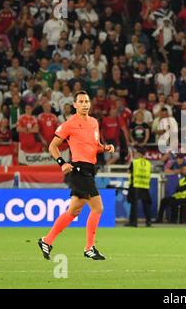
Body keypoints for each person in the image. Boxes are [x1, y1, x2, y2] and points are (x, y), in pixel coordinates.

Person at [37, 91, 115, 261]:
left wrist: (105, 148)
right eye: (81, 101)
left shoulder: (94, 122)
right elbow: (52, 146)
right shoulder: (70, 124)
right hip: (78, 170)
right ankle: (89, 248)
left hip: (89, 169)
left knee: (73, 211)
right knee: (98, 207)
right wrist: (62, 162)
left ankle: (47, 240)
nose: (85, 104)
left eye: (87, 101)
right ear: (75, 105)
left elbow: (94, 146)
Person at [126, 148, 152, 227]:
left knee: (134, 205)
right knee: (146, 205)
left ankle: (133, 222)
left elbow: (129, 172)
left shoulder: (135, 162)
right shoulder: (148, 163)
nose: (136, 155)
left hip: (135, 185)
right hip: (145, 185)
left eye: (137, 153)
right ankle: (148, 222)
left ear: (140, 154)